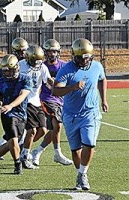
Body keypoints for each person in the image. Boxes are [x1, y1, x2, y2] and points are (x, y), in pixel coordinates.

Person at [52, 38, 108, 190]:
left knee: (89, 143)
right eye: (80, 58)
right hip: (70, 114)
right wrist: (72, 88)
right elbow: (55, 90)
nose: (84, 61)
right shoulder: (66, 70)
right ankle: (79, 174)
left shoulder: (96, 66)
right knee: (75, 149)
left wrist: (104, 99)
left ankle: (83, 174)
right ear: (74, 56)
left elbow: (102, 79)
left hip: (91, 112)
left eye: (87, 58)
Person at [0, 54, 31, 174]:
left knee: (11, 143)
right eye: (5, 71)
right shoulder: (1, 82)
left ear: (16, 68)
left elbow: (23, 95)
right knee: (13, 141)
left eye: (9, 71)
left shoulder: (25, 79)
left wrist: (11, 105)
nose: (7, 74)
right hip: (7, 114)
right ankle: (18, 164)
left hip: (21, 114)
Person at [30, 39, 73, 166]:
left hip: (60, 100)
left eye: (54, 51)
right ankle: (57, 153)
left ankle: (37, 151)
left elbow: (70, 80)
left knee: (53, 128)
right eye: (49, 51)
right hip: (46, 99)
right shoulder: (41, 66)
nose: (51, 54)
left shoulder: (64, 66)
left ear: (58, 52)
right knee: (56, 125)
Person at [0, 37, 29, 158]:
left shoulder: (28, 62)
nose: (23, 53)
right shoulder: (9, 63)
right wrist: (2, 97)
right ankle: (21, 157)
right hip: (12, 101)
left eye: (24, 50)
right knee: (16, 133)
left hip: (27, 98)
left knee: (20, 133)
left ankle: (3, 151)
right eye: (20, 51)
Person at [19, 45, 54, 169]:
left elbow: (47, 81)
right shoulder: (21, 65)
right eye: (34, 61)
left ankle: (23, 148)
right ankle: (24, 156)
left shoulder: (42, 67)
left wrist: (52, 83)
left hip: (36, 101)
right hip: (24, 101)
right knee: (31, 130)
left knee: (42, 130)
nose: (36, 64)